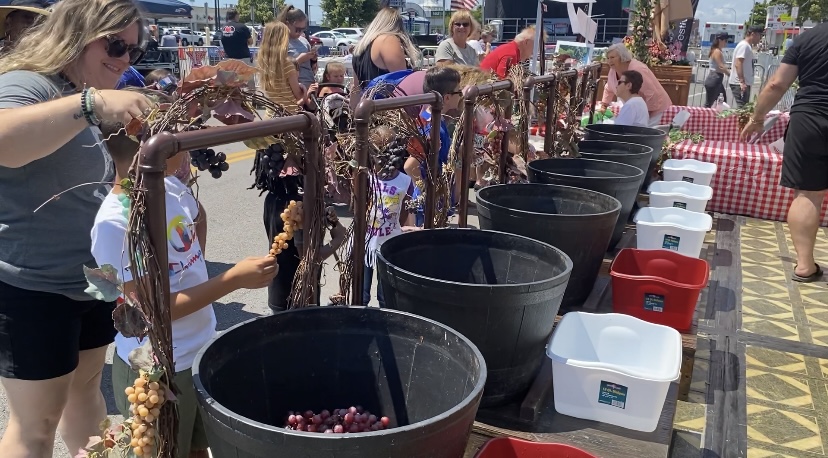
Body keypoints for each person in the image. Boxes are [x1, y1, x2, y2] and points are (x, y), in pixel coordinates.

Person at [0, 0, 154, 455]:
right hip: (33, 288)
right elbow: (5, 140)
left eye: (134, 51)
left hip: (89, 283)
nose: (125, 59)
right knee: (36, 422)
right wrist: (93, 103)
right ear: (76, 34)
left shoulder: (75, 88)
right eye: (115, 44)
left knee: (86, 393)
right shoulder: (29, 83)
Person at [92, 110, 278, 458]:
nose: (185, 141)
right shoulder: (115, 222)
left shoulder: (170, 187)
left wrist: (194, 268)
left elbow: (198, 216)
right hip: (155, 371)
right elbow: (156, 311)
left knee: (197, 447)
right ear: (148, 147)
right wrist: (232, 279)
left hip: (196, 352)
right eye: (175, 134)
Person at [740, 23, 828, 283]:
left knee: (807, 194)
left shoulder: (809, 38)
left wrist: (757, 117)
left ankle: (803, 265)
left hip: (809, 120)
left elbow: (777, 84)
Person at [403, 66, 464, 226]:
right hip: (429, 201)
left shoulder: (437, 120)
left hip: (437, 195)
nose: (462, 95)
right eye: (459, 92)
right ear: (446, 98)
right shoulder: (430, 127)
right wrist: (425, 190)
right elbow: (410, 165)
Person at [362, 126, 416, 307]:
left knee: (385, 295)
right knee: (362, 292)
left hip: (388, 244)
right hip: (365, 244)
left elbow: (403, 215)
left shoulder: (405, 182)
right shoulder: (365, 177)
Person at [597, 43, 672, 126]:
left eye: (612, 57)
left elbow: (651, 94)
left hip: (656, 111)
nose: (609, 61)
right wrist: (604, 106)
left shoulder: (638, 69)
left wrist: (642, 115)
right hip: (637, 109)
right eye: (608, 58)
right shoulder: (613, 70)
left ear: (622, 57)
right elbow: (609, 87)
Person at [351, 7, 420, 92]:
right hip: (389, 103)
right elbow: (403, 83)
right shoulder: (387, 40)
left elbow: (355, 89)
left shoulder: (359, 48)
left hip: (368, 103)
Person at [257, 20, 306, 111]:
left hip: (272, 113)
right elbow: (299, 96)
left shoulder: (263, 63)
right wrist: (304, 90)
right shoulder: (287, 65)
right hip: (289, 116)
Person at [277, 5, 316, 90]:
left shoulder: (304, 41)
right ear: (287, 24)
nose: (300, 33)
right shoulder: (280, 42)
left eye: (303, 29)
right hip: (292, 90)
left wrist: (313, 59)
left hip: (309, 87)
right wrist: (299, 60)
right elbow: (278, 70)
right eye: (297, 29)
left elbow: (311, 68)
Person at [728, 25, 763, 108]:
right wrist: (742, 82)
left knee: (744, 108)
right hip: (739, 83)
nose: (760, 38)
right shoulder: (744, 46)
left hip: (744, 83)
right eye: (759, 35)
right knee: (742, 109)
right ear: (753, 34)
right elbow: (738, 63)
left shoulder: (747, 46)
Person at [704, 32, 730, 108]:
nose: (726, 43)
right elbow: (721, 66)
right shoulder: (717, 51)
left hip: (716, 79)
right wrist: (730, 74)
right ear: (720, 40)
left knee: (722, 101)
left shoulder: (717, 50)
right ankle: (701, 117)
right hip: (714, 79)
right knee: (709, 104)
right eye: (725, 41)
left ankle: (719, 118)